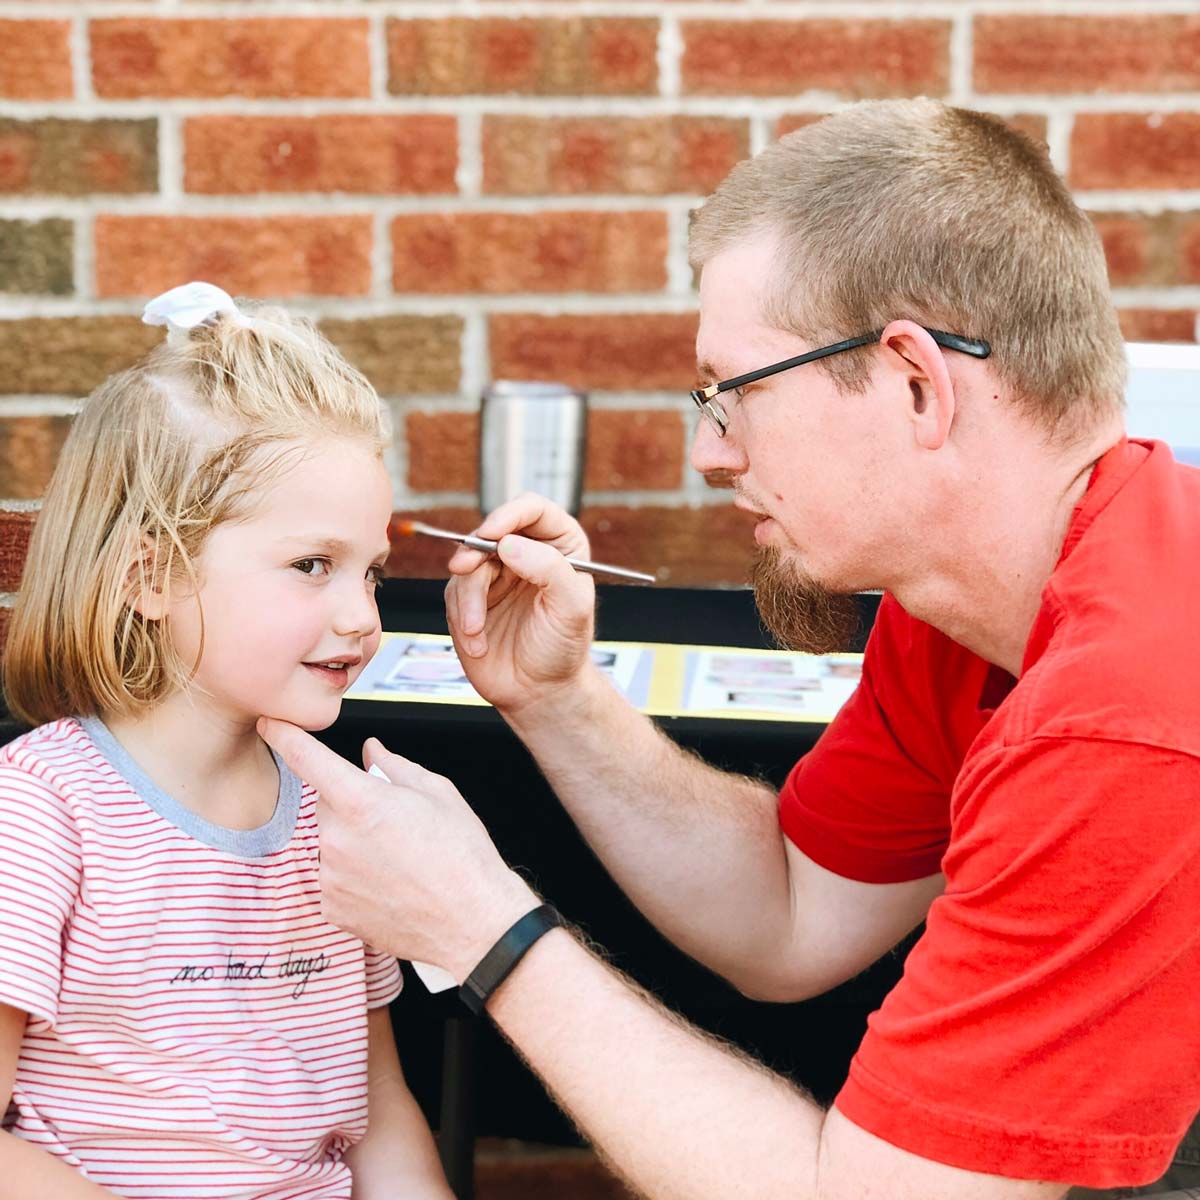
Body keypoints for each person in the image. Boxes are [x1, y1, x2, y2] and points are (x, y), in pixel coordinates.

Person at [258, 99, 1200, 1200]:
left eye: (733, 394)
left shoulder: (1126, 720)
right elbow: (792, 915)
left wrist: (481, 927)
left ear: (914, 382)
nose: (709, 451)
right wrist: (560, 700)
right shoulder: (964, 615)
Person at [0, 283, 453, 1199]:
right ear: (152, 577)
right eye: (311, 566)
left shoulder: (344, 817)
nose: (362, 616)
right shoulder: (40, 812)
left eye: (371, 571)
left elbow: (378, 1109)